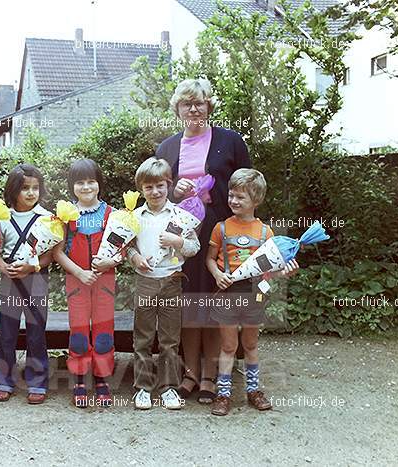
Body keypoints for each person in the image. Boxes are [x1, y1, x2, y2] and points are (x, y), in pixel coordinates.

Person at [155, 78, 251, 403]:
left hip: (218, 232)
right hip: (180, 235)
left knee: (213, 304)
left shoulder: (231, 141)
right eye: (187, 103)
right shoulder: (166, 148)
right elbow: (156, 193)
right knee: (186, 302)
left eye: (199, 102)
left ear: (209, 105)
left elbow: (246, 188)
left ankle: (211, 376)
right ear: (178, 109)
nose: (193, 109)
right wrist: (173, 191)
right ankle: (190, 374)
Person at [206, 168, 298, 416]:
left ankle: (253, 390)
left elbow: (269, 271)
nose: (234, 201)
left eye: (241, 197)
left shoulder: (265, 233)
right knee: (227, 346)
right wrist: (217, 274)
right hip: (227, 294)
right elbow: (210, 259)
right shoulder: (221, 228)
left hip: (255, 295)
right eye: (232, 195)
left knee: (250, 344)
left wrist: (284, 271)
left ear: (256, 200)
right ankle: (223, 393)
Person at [127, 158, 200, 410]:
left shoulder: (181, 217)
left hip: (172, 282)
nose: (155, 191)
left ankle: (169, 387)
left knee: (170, 339)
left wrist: (177, 242)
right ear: (141, 189)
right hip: (145, 281)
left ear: (169, 184)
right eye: (149, 187)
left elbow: (194, 247)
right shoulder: (134, 217)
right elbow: (128, 247)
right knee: (143, 338)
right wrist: (135, 257)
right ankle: (142, 388)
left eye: (160, 185)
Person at [53, 159, 121, 408]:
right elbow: (57, 252)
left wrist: (109, 263)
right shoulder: (65, 214)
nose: (86, 187)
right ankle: (79, 379)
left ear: (99, 183)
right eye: (80, 182)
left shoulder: (112, 214)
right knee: (79, 332)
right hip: (76, 281)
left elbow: (122, 249)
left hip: (105, 281)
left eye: (91, 181)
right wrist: (80, 273)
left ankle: (102, 379)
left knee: (104, 332)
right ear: (72, 186)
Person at [0, 164, 52, 404]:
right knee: (7, 331)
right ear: (13, 190)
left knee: (36, 331)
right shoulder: (2, 217)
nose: (30, 193)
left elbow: (52, 253)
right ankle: (4, 379)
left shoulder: (47, 218)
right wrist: (1, 266)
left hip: (36, 278)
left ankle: (37, 381)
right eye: (25, 188)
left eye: (35, 188)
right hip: (9, 279)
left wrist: (32, 266)